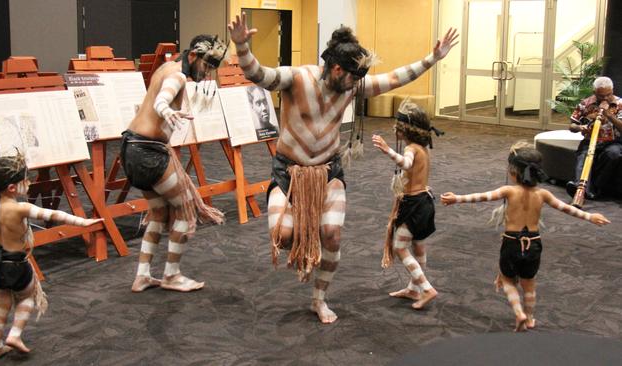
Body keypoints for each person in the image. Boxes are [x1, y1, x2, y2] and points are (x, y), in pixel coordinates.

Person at [229, 11, 458, 323]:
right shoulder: (297, 78)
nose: (356, 85)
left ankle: (319, 300)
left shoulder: (352, 86)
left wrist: (432, 58)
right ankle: (305, 245)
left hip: (328, 173)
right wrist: (242, 47)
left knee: (333, 235)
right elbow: (259, 75)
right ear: (336, 68)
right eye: (352, 76)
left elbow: (395, 78)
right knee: (283, 238)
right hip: (289, 174)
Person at [440, 142, 610, 331]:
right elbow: (568, 209)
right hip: (534, 245)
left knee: (506, 279)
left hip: (511, 243)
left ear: (513, 172)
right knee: (529, 284)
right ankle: (529, 318)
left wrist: (456, 198)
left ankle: (518, 312)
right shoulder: (543, 194)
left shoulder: (509, 191)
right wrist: (590, 216)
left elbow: (481, 196)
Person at [120, 34, 225, 294]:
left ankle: (142, 275)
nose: (208, 72)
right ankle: (172, 274)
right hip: (149, 153)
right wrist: (167, 111)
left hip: (131, 150)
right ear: (193, 56)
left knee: (158, 213)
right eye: (206, 65)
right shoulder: (177, 76)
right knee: (185, 212)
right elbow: (161, 100)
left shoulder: (167, 67)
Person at [0, 154, 103, 360]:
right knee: (26, 298)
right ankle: (15, 335)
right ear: (12, 188)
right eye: (25, 179)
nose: (30, 182)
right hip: (14, 265)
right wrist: (83, 222)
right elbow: (54, 215)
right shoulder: (21, 208)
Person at [372, 102, 442, 310]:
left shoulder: (412, 149)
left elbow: (406, 164)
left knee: (399, 247)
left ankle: (427, 288)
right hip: (424, 203)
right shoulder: (423, 148)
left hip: (414, 205)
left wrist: (387, 150)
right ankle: (414, 289)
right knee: (418, 246)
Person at [566, 76, 622, 200]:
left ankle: (595, 187)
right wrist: (581, 128)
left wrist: (609, 115)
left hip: (613, 142)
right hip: (589, 141)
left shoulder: (620, 104)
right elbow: (572, 125)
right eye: (602, 96)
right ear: (594, 92)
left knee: (614, 154)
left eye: (609, 94)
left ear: (612, 90)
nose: (606, 98)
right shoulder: (585, 104)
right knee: (583, 156)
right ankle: (579, 188)